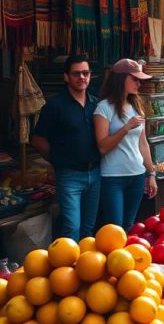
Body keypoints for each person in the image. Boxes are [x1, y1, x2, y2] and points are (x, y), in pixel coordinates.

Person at [31, 55, 101, 240]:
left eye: (85, 73)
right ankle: (67, 268)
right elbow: (38, 139)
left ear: (90, 75)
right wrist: (56, 159)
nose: (82, 77)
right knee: (72, 227)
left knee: (88, 229)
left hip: (95, 173)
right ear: (66, 77)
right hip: (69, 175)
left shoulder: (97, 104)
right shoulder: (55, 106)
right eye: (76, 73)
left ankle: (86, 267)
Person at [94, 58, 157, 229]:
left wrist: (151, 174)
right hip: (112, 177)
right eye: (135, 79)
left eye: (140, 80)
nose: (138, 83)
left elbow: (143, 144)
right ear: (121, 79)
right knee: (114, 228)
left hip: (137, 175)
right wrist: (126, 127)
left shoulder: (136, 106)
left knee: (129, 226)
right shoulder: (103, 108)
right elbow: (102, 147)